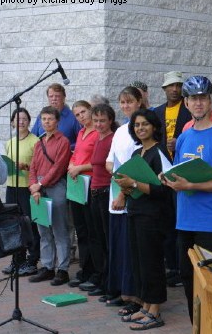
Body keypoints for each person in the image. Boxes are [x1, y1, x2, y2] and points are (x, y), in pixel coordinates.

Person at [161, 76, 212, 321]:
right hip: (185, 220)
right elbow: (178, 175)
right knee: (187, 278)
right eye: (193, 98)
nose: (199, 103)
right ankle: (197, 326)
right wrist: (169, 179)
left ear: (209, 100)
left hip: (210, 223)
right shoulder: (183, 138)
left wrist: (191, 184)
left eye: (203, 97)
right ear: (186, 103)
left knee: (210, 282)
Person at [115, 109, 174, 330]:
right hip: (135, 212)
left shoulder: (159, 152)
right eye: (137, 125)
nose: (140, 128)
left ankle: (156, 312)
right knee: (139, 262)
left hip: (153, 217)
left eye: (145, 124)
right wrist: (125, 188)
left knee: (152, 263)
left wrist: (133, 184)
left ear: (154, 127)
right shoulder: (136, 153)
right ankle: (146, 307)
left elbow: (163, 190)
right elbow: (131, 185)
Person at [105, 86, 145, 315]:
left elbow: (138, 167)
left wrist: (123, 191)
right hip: (116, 192)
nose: (126, 106)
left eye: (130, 102)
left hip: (131, 195)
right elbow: (110, 161)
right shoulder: (120, 130)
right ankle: (122, 291)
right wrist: (117, 175)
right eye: (122, 102)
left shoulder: (141, 129)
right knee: (120, 247)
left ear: (139, 102)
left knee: (132, 250)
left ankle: (136, 296)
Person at [154, 70, 192, 287]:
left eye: (178, 85)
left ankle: (182, 266)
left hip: (181, 174)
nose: (175, 89)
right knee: (166, 222)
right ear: (164, 89)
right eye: (171, 86)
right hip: (162, 174)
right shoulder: (157, 112)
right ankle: (172, 266)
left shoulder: (188, 111)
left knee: (180, 223)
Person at [28, 106, 72, 286]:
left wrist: (41, 183)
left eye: (50, 119)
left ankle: (62, 269)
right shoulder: (39, 143)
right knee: (43, 229)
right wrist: (34, 186)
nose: (46, 122)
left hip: (55, 186)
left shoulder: (63, 141)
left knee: (60, 230)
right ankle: (47, 266)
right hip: (38, 188)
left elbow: (59, 167)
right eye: (44, 119)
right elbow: (33, 166)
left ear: (57, 121)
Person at [67, 101, 101, 293]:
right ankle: (85, 268)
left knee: (92, 230)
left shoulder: (97, 133)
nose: (81, 117)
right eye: (77, 114)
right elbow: (76, 154)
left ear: (91, 111)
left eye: (83, 112)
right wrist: (72, 165)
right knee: (81, 228)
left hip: (90, 183)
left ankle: (96, 271)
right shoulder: (80, 133)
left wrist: (80, 168)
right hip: (77, 184)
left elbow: (98, 161)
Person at [1, 108, 39, 276]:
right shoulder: (9, 142)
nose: (21, 122)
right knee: (14, 223)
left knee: (29, 223)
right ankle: (17, 260)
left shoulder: (35, 141)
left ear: (29, 121)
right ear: (12, 122)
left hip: (27, 188)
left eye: (24, 119)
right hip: (12, 186)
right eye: (17, 119)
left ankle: (32, 261)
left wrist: (26, 166)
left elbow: (39, 167)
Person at [89, 104, 118, 302]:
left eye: (102, 120)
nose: (99, 124)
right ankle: (101, 278)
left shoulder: (112, 138)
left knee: (108, 240)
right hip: (94, 190)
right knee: (97, 238)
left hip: (107, 191)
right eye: (96, 120)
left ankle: (110, 282)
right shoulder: (97, 138)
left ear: (110, 121)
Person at [31, 83, 82, 150]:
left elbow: (82, 141)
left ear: (64, 98)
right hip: (43, 156)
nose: (54, 99)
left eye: (57, 96)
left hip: (66, 156)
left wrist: (66, 147)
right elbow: (33, 137)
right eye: (51, 96)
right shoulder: (41, 116)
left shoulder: (74, 117)